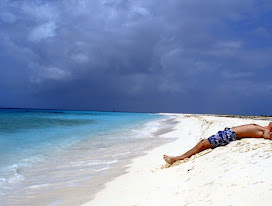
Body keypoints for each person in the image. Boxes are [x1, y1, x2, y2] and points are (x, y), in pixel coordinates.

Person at [163, 122, 272, 165]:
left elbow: (267, 137)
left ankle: (176, 159)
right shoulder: (263, 127)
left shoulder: (265, 131)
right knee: (202, 143)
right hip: (228, 133)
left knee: (202, 144)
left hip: (229, 135)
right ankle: (178, 157)